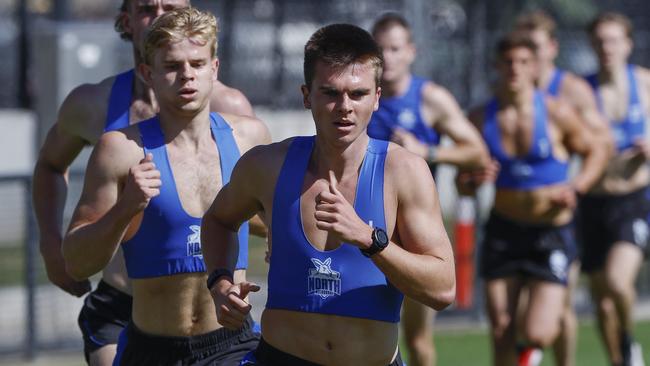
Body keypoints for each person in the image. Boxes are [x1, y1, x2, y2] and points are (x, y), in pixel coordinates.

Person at [200, 23, 456, 365]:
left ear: (377, 97)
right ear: (307, 96)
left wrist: (369, 239)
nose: (345, 106)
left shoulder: (403, 171)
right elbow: (218, 219)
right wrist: (219, 282)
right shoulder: (267, 166)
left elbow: (442, 289)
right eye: (331, 93)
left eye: (358, 94)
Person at [31, 0, 256, 364]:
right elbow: (50, 166)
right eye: (148, 8)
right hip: (125, 304)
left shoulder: (234, 114)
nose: (162, 15)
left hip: (218, 316)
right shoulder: (95, 106)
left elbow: (249, 207)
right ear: (127, 21)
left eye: (171, 5)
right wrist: (50, 243)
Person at [459, 33, 607, 366]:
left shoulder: (556, 112)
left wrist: (578, 186)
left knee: (538, 332)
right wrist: (472, 180)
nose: (515, 69)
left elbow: (596, 149)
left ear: (535, 67)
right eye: (508, 62)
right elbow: (462, 185)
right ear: (497, 65)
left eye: (524, 62)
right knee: (501, 328)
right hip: (503, 231)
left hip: (551, 233)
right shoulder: (481, 118)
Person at [368, 13, 489, 366]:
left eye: (395, 48)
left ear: (411, 52)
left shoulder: (430, 98)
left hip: (416, 232)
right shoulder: (357, 96)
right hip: (365, 228)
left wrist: (429, 151)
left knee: (418, 339)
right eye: (380, 49)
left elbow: (477, 150)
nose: (388, 57)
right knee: (362, 330)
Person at [513, 11, 613, 366]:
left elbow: (602, 142)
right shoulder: (509, 92)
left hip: (564, 215)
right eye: (523, 48)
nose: (530, 57)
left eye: (536, 48)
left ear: (552, 48)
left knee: (561, 303)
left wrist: (577, 183)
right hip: (516, 220)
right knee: (519, 313)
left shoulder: (571, 90)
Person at [581, 12, 650, 366]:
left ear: (628, 43)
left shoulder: (645, 83)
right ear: (592, 45)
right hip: (592, 202)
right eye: (600, 40)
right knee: (601, 300)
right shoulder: (582, 90)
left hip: (634, 199)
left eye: (613, 40)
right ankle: (619, 359)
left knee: (618, 283)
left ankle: (628, 339)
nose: (606, 47)